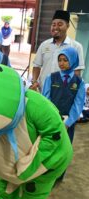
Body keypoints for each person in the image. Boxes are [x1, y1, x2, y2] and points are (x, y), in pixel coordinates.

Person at [42, 47, 85, 180]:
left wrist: (67, 123)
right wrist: (52, 118)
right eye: (59, 60)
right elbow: (45, 99)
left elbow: (78, 105)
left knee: (63, 149)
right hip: (51, 120)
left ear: (72, 61)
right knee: (47, 146)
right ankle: (43, 173)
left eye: (65, 60)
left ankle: (58, 176)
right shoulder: (51, 78)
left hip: (68, 124)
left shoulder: (79, 83)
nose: (61, 63)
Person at [31, 10, 85, 91]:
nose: (55, 27)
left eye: (60, 24)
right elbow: (36, 66)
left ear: (67, 26)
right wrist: (34, 81)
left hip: (62, 94)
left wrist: (71, 91)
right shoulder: (44, 45)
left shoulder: (76, 47)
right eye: (53, 24)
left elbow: (77, 73)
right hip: (43, 91)